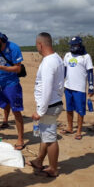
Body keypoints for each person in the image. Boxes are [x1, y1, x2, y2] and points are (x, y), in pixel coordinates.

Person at [28, 32, 64, 178]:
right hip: (53, 102)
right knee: (45, 135)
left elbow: (47, 88)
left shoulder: (49, 62)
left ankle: (53, 168)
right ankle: (39, 160)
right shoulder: (56, 59)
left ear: (40, 45)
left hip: (49, 105)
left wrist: (40, 111)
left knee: (50, 139)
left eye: (37, 44)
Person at [0, 29, 25, 150]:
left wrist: (1, 67)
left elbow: (18, 69)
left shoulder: (13, 48)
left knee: (16, 110)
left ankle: (20, 138)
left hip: (11, 84)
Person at [61, 37, 94, 140]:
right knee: (69, 108)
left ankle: (79, 130)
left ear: (79, 45)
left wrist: (91, 87)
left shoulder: (86, 57)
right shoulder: (67, 55)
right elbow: (64, 71)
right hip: (68, 87)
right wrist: (60, 83)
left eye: (75, 45)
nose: (73, 47)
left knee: (80, 110)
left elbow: (90, 72)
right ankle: (70, 127)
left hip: (79, 88)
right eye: (71, 45)